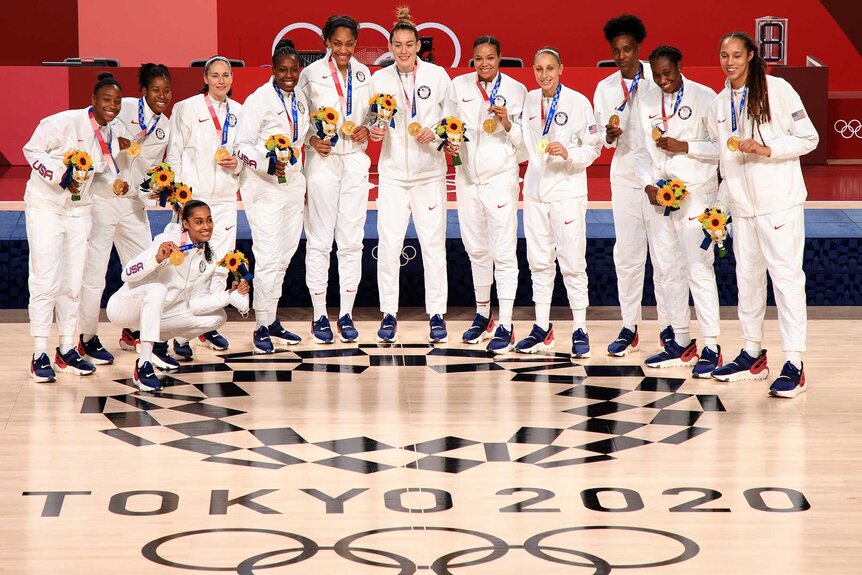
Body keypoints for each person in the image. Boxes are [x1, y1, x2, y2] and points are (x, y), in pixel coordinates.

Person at [707, 32, 818, 398]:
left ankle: (794, 362)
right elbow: (726, 162)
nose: (730, 62)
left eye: (737, 54)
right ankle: (752, 353)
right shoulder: (720, 103)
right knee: (749, 281)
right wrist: (721, 207)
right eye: (724, 55)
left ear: (751, 56)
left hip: (779, 204)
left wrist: (768, 148)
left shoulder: (778, 89)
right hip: (743, 208)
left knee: (786, 280)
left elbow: (808, 138)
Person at [23, 72, 124, 382]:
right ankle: (40, 352)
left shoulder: (111, 132)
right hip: (47, 208)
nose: (112, 106)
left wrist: (123, 185)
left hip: (79, 212)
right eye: (106, 99)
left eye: (117, 102)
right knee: (45, 279)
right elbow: (31, 150)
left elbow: (99, 173)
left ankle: (66, 349)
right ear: (92, 100)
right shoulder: (62, 122)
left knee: (73, 283)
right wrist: (59, 175)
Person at [78, 64, 173, 369]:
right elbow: (95, 132)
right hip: (102, 201)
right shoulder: (122, 106)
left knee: (148, 268)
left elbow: (150, 170)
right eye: (156, 90)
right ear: (143, 90)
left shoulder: (165, 127)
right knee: (94, 274)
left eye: (167, 91)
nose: (162, 96)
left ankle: (136, 331)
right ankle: (86, 337)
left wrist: (154, 187)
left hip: (133, 206)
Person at [637, 46, 723, 377]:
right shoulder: (646, 101)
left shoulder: (704, 97)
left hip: (696, 196)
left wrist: (685, 146)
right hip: (662, 197)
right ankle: (681, 342)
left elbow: (719, 149)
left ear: (680, 66)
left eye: (668, 74)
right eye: (657, 75)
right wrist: (648, 187)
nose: (663, 80)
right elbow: (643, 155)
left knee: (699, 270)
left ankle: (711, 346)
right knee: (667, 270)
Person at [368, 7, 452, 343]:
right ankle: (388, 313)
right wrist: (375, 132)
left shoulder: (437, 76)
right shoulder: (378, 80)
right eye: (397, 45)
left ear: (418, 45)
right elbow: (372, 122)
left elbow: (452, 119)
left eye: (409, 44)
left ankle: (437, 315)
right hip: (391, 175)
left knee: (433, 246)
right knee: (389, 246)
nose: (403, 50)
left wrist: (436, 132)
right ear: (390, 48)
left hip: (429, 173)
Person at [106, 200, 249, 391]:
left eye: (209, 220)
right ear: (186, 224)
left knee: (217, 316)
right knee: (157, 289)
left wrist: (229, 295)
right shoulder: (166, 240)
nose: (206, 227)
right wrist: (156, 258)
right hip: (125, 307)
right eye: (199, 222)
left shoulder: (209, 258)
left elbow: (196, 304)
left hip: (159, 314)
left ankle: (158, 343)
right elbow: (127, 274)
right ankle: (144, 366)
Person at [593, 14, 672, 357]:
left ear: (639, 48)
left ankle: (670, 327)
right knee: (627, 255)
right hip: (624, 177)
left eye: (627, 49)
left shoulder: (659, 82)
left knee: (665, 254)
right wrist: (609, 136)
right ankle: (629, 326)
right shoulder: (605, 88)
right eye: (616, 50)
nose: (621, 55)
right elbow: (601, 138)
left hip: (658, 178)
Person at [516, 47, 601, 357]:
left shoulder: (578, 102)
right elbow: (523, 143)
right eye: (539, 69)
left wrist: (569, 153)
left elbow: (593, 148)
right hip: (535, 192)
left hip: (567, 191)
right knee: (538, 263)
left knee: (573, 263)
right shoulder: (527, 100)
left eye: (550, 68)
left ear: (561, 68)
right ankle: (542, 328)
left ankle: (580, 328)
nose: (544, 74)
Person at [444, 35, 527, 354]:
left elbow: (524, 147)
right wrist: (446, 143)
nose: (484, 64)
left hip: (500, 179)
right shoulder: (459, 86)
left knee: (503, 252)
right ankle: (483, 315)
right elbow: (446, 125)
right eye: (478, 58)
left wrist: (507, 124)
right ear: (472, 60)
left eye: (490, 58)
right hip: (466, 179)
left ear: (500, 57)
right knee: (476, 249)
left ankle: (505, 321)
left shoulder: (517, 91)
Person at [298, 15, 372, 344]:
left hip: (355, 160)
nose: (344, 49)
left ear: (356, 44)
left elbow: (370, 114)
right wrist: (310, 140)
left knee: (352, 241)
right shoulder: (310, 75)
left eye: (350, 43)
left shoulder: (363, 72)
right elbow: (295, 117)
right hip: (323, 163)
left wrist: (367, 127)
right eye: (337, 43)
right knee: (319, 241)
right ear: (326, 41)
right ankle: (318, 314)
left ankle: (345, 313)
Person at [235, 39, 308, 353]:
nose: (288, 75)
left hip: (292, 185)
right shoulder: (258, 100)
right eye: (283, 70)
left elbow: (301, 137)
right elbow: (242, 145)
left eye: (293, 69)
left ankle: (272, 318)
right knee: (266, 256)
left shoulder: (302, 99)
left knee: (284, 255)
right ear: (273, 69)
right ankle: (260, 327)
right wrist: (266, 163)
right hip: (263, 187)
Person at [167, 56, 243, 353]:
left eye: (226, 75)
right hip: (195, 201)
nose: (221, 81)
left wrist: (236, 165)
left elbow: (243, 154)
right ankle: (181, 333)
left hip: (225, 199)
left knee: (221, 265)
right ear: (206, 77)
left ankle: (208, 326)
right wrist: (177, 195)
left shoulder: (240, 112)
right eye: (215, 75)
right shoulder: (186, 108)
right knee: (189, 268)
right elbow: (174, 152)